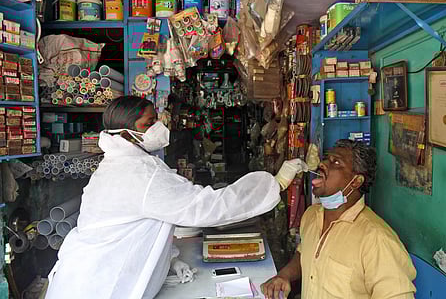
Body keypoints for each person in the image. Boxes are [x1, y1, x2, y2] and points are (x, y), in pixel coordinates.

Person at [45, 96, 307, 299]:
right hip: (98, 286)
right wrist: (275, 184)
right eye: (148, 124)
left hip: (88, 275)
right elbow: (207, 208)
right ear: (126, 134)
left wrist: (168, 258)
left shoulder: (121, 164)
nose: (158, 128)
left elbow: (131, 228)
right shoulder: (138, 173)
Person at [261, 139, 417, 299]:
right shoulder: (311, 216)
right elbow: (306, 252)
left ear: (356, 181)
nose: (323, 164)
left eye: (336, 162)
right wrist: (284, 275)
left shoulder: (377, 240)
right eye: (327, 158)